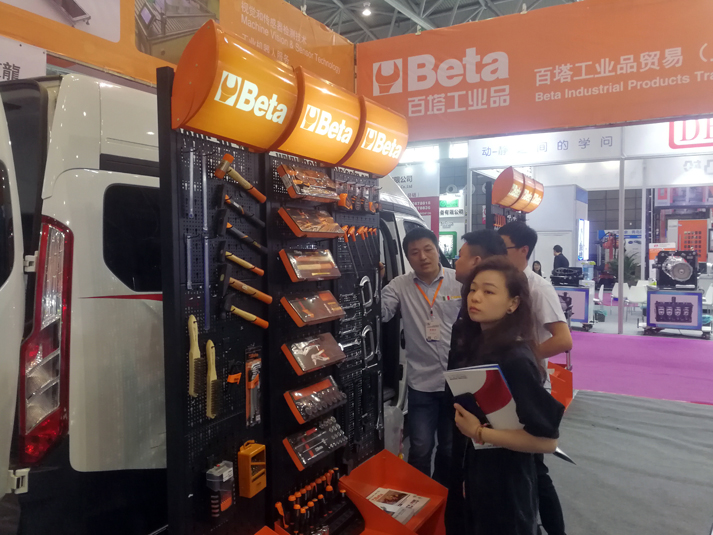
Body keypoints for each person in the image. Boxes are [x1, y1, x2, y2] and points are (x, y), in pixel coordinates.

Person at [446, 256, 564, 535]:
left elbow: (547, 441)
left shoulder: (515, 358)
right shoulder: (475, 345)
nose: (475, 297)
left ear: (513, 303)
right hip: (476, 476)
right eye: (473, 289)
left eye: (489, 291)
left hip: (505, 486)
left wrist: (479, 432)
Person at [499, 222, 572, 535]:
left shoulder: (537, 288)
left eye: (502, 248)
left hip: (527, 386)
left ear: (523, 250)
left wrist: (524, 360)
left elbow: (563, 339)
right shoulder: (502, 282)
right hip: (502, 385)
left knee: (535, 467)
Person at [381, 227, 461, 484]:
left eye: (428, 249)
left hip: (456, 382)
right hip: (421, 384)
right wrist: (373, 278)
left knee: (449, 448)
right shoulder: (400, 285)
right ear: (407, 257)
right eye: (414, 252)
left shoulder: (459, 281)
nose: (423, 257)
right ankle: (420, 495)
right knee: (420, 447)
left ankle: (443, 495)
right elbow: (381, 313)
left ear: (438, 250)